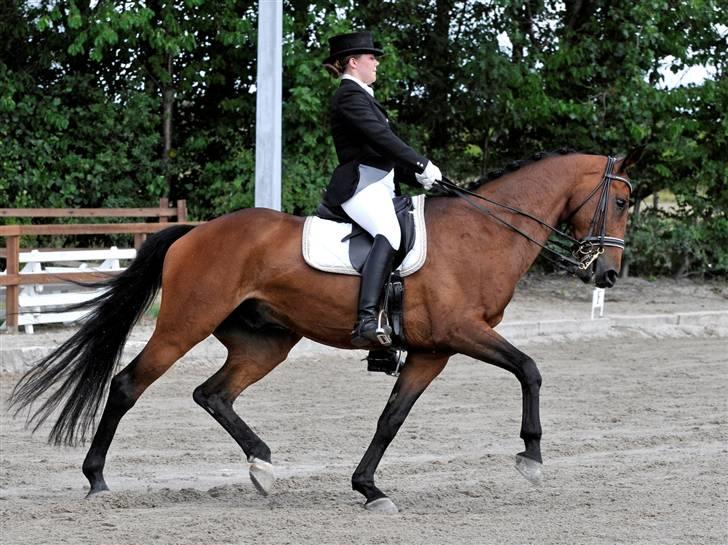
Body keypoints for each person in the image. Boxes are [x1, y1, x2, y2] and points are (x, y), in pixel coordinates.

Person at [321, 30, 442, 348]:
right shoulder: (349, 96)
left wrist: (424, 178)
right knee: (389, 232)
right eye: (371, 57)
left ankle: (396, 319)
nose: (376, 63)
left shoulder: (362, 96)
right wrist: (421, 163)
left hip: (380, 183)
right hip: (360, 185)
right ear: (353, 62)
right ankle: (365, 321)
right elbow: (382, 139)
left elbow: (385, 152)